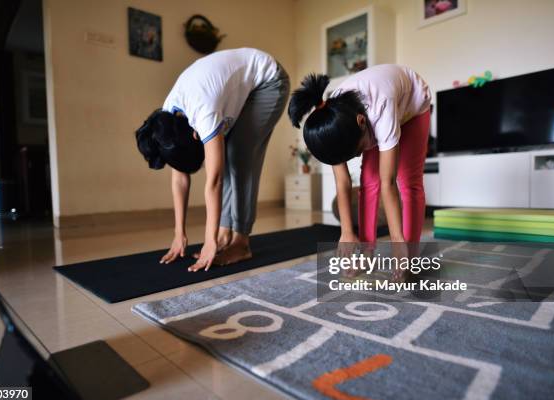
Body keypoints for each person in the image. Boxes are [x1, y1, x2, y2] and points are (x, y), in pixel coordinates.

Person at [136, 48, 289, 272]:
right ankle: (225, 233)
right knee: (226, 154)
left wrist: (209, 241)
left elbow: (214, 180)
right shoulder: (167, 124)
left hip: (270, 81)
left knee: (238, 156)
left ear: (195, 134)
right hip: (234, 85)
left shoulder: (203, 112)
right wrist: (179, 234)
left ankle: (241, 243)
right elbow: (179, 178)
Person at [288, 65, 431, 251]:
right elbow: (343, 182)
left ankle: (408, 254)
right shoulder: (333, 124)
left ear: (362, 123)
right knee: (368, 180)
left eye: (358, 151)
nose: (358, 156)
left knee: (407, 180)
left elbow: (388, 182)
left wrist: (397, 241)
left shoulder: (380, 109)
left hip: (413, 105)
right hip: (370, 111)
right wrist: (346, 232)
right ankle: (366, 250)